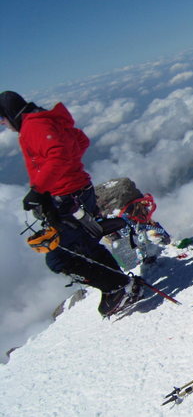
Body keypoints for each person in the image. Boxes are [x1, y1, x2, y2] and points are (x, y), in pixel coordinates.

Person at [0, 91, 142, 317]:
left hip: (65, 198)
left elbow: (57, 155)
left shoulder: (33, 127)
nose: (4, 125)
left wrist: (39, 190)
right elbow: (79, 142)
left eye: (2, 119)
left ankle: (116, 287)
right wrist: (68, 171)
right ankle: (121, 287)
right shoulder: (48, 120)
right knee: (87, 244)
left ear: (9, 113)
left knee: (59, 258)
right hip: (80, 192)